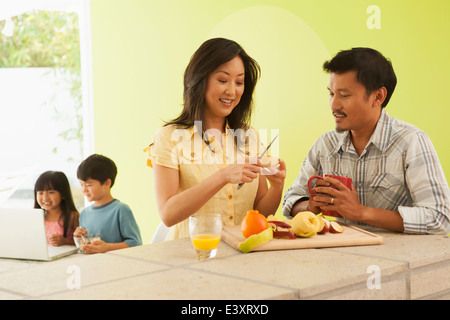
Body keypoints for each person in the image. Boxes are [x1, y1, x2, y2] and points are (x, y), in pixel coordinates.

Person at [283, 47, 450, 234]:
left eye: (344, 95)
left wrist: (362, 213)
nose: (334, 105)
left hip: (397, 256)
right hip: (341, 255)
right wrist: (310, 207)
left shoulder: (411, 142)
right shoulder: (326, 145)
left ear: (378, 96)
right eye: (331, 94)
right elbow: (292, 200)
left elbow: (440, 219)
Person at [146, 38, 286, 240]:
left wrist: (277, 186)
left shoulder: (249, 137)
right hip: (191, 256)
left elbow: (259, 214)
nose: (232, 91)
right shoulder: (169, 137)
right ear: (200, 80)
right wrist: (224, 176)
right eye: (222, 80)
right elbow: (168, 214)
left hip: (241, 254)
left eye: (239, 82)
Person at [73, 154, 142, 253]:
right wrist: (78, 238)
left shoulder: (121, 210)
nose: (84, 189)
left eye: (89, 185)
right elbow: (85, 246)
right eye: (81, 184)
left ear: (107, 183)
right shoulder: (84, 213)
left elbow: (136, 243)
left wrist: (107, 247)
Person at [34, 171, 79, 246]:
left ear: (63, 194)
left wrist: (65, 241)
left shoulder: (72, 216)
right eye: (40, 193)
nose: (45, 198)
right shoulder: (37, 217)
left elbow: (83, 243)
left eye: (51, 192)